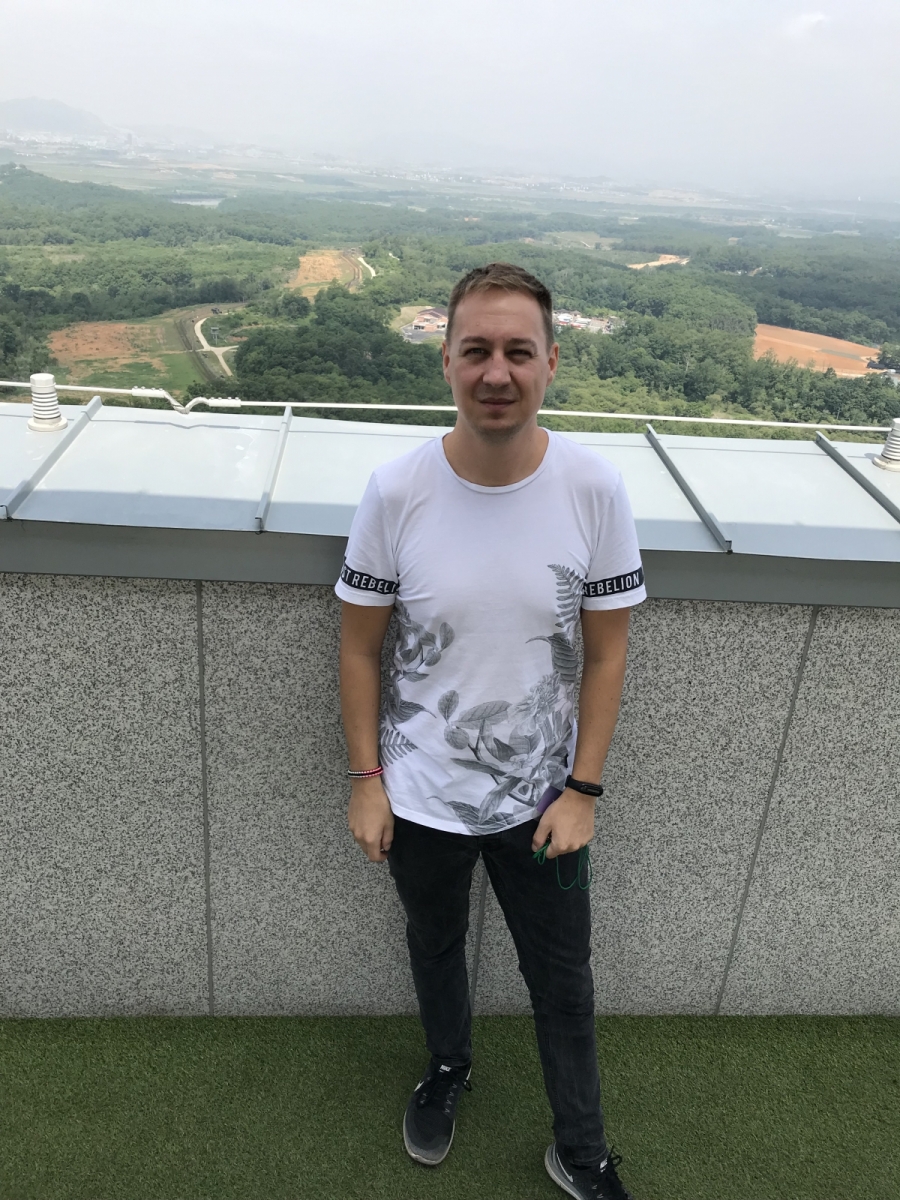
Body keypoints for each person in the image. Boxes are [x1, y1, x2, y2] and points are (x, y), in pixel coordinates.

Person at [336, 262, 645, 1200]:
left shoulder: (594, 488)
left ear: (551, 362)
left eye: (518, 350)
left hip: (545, 803)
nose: (497, 372)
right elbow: (358, 648)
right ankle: (448, 1066)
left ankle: (582, 1150)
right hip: (420, 795)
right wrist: (367, 780)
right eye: (476, 350)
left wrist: (583, 791)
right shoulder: (397, 490)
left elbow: (607, 657)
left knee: (564, 980)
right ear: (446, 362)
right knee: (432, 947)